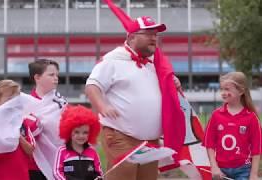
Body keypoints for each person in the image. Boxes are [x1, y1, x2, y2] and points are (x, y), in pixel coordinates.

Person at [85, 1, 186, 180]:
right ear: (131, 37)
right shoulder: (113, 60)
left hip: (150, 141)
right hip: (120, 135)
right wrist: (103, 106)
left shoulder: (156, 65)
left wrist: (173, 83)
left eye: (155, 34)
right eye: (147, 34)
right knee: (124, 174)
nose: (154, 38)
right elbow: (92, 85)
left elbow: (163, 90)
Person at [203, 72, 262, 180]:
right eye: (222, 89)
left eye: (228, 89)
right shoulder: (216, 115)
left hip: (243, 170)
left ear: (241, 91)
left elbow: (257, 148)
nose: (223, 93)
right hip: (221, 170)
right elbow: (209, 144)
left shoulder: (251, 118)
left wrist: (254, 174)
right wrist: (214, 166)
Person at [26, 58, 60, 180]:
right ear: (37, 77)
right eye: (51, 75)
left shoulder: (61, 103)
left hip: (60, 163)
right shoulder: (25, 104)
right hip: (33, 165)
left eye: (57, 75)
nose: (56, 78)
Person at [53, 105, 103, 180]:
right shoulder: (62, 151)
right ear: (69, 131)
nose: (81, 136)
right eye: (77, 132)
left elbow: (99, 172)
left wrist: (99, 178)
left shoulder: (92, 152)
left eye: (85, 132)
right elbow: (57, 172)